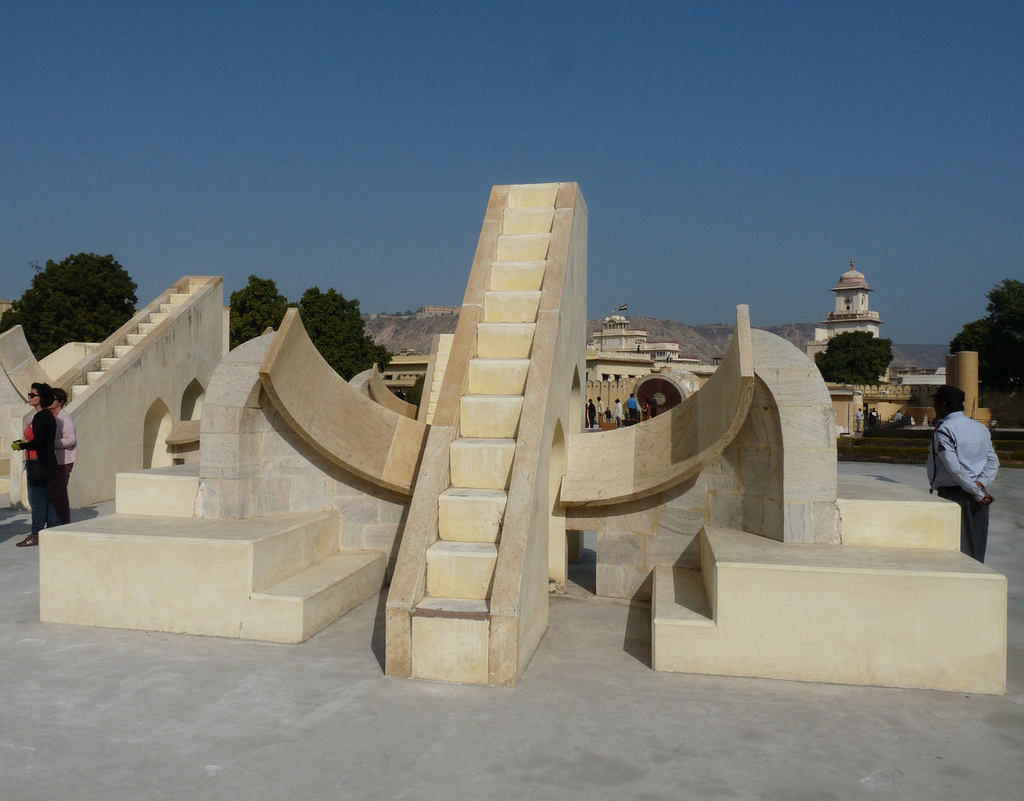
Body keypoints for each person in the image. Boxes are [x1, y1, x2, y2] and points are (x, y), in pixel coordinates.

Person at [926, 385, 999, 562]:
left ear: (943, 405)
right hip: (978, 494)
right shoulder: (980, 427)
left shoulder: (945, 430)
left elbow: (955, 468)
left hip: (956, 494)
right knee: (977, 551)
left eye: (935, 402)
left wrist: (975, 491)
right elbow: (993, 461)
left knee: (956, 554)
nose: (934, 405)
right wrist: (980, 484)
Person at [13, 382, 58, 547]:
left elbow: (38, 442)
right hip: (46, 463)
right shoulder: (47, 416)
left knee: (37, 501)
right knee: (46, 499)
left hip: (39, 463)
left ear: (41, 398)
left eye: (32, 395)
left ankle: (36, 533)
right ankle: (55, 528)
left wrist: (21, 446)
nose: (29, 398)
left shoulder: (41, 417)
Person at [48, 387, 77, 526]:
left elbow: (70, 439)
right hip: (54, 460)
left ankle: (64, 522)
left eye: (52, 399)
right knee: (53, 492)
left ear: (60, 401)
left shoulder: (64, 417)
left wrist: (50, 444)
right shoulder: (51, 416)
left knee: (59, 493)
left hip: (63, 460)